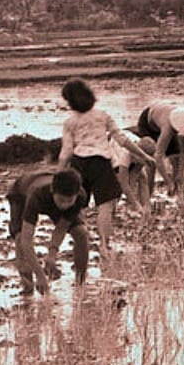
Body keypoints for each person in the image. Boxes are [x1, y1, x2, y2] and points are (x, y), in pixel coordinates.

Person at [58, 78, 155, 259]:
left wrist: (59, 173)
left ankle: (82, 243)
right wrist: (144, 155)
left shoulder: (70, 122)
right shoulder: (103, 115)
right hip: (101, 163)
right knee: (105, 207)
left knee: (79, 206)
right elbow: (122, 140)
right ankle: (104, 246)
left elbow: (66, 151)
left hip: (79, 163)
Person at [7, 168, 89, 294]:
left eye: (69, 201)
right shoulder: (36, 195)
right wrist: (40, 275)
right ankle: (28, 289)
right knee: (19, 238)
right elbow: (26, 240)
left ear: (77, 195)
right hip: (21, 192)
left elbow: (61, 227)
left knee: (81, 233)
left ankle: (81, 284)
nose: (65, 205)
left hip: (47, 182)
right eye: (61, 200)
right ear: (53, 191)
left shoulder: (80, 196)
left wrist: (52, 254)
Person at [136, 103, 184, 207]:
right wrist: (167, 180)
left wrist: (180, 172)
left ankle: (181, 199)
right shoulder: (168, 127)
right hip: (148, 124)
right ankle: (146, 199)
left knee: (176, 160)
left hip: (166, 120)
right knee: (150, 164)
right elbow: (158, 155)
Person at [110, 133, 155, 215]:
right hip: (114, 150)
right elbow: (124, 183)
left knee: (143, 177)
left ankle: (146, 207)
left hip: (132, 151)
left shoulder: (143, 155)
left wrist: (134, 200)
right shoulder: (125, 155)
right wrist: (135, 204)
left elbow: (133, 177)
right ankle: (113, 207)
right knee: (116, 183)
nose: (143, 163)